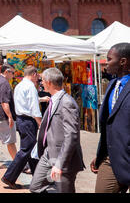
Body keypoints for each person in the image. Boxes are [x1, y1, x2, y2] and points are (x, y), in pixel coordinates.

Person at [30, 67, 84, 193]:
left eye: (42, 80)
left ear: (49, 82)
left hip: (63, 158)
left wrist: (60, 163)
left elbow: (71, 136)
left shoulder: (66, 102)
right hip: (49, 153)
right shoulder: (54, 99)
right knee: (35, 187)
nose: (41, 83)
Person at [90, 42, 130, 193]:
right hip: (110, 159)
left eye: (109, 59)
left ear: (123, 62)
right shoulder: (112, 85)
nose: (106, 62)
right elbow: (109, 125)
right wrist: (101, 154)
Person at [1, 66, 42, 189]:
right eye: (38, 76)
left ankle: (39, 177)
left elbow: (25, 103)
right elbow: (34, 108)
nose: (38, 79)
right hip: (28, 121)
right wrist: (41, 123)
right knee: (26, 150)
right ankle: (9, 177)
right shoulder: (30, 87)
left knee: (31, 149)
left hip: (21, 119)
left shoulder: (19, 85)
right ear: (34, 74)